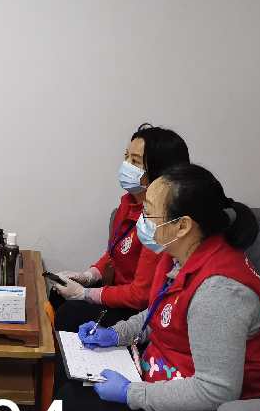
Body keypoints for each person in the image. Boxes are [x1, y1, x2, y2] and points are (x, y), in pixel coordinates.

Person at [13, 163, 260, 411]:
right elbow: (157, 312)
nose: (143, 219)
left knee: (77, 402)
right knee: (76, 365)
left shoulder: (220, 292)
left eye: (150, 212)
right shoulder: (184, 257)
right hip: (169, 377)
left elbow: (217, 391)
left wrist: (131, 393)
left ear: (182, 225)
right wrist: (115, 334)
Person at [50, 124, 190, 333]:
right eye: (126, 157)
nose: (126, 165)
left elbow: (140, 295)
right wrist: (88, 275)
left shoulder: (159, 223)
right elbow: (114, 252)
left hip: (136, 307)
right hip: (117, 292)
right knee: (58, 292)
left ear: (159, 171)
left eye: (135, 161)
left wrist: (86, 294)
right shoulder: (128, 202)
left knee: (69, 313)